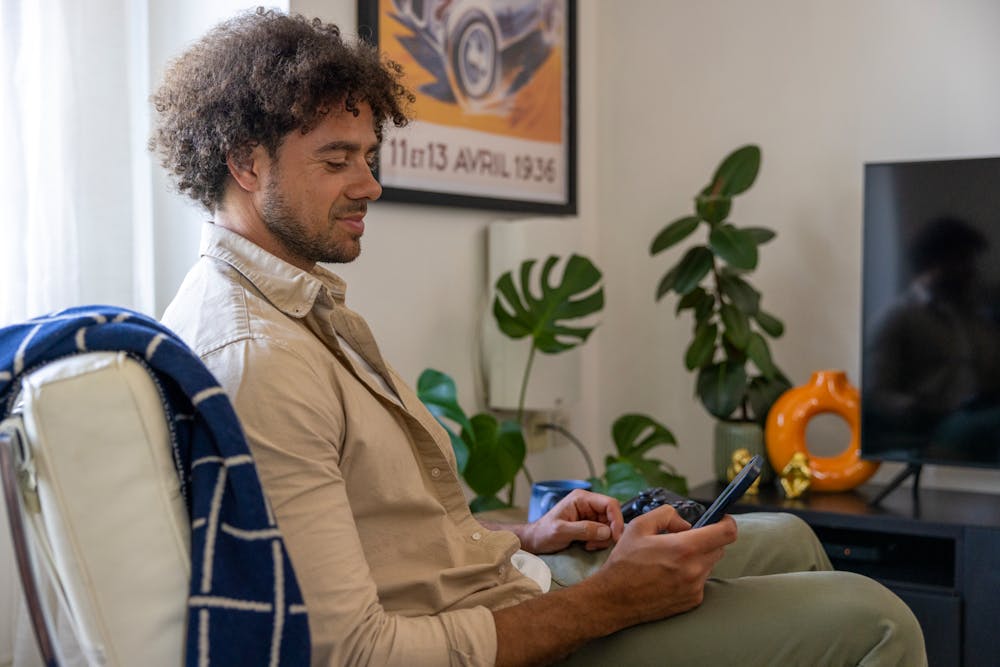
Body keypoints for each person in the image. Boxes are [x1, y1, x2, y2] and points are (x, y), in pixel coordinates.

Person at [154, 8, 926, 666]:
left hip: (509, 581)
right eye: (337, 160)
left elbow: (389, 535)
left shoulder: (300, 307)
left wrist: (528, 533)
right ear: (245, 163)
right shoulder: (258, 360)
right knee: (877, 618)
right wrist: (611, 599)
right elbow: (354, 651)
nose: (370, 184)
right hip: (510, 636)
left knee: (787, 533)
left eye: (368, 156)